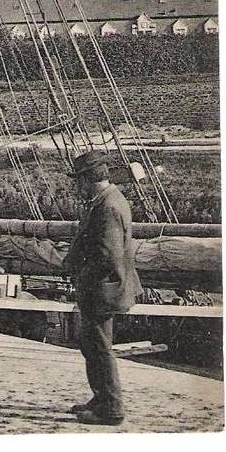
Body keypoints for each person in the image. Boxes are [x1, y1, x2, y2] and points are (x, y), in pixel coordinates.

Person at [62, 151, 141, 426]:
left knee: (99, 347)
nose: (76, 188)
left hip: (102, 289)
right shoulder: (109, 200)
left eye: (78, 182)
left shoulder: (107, 207)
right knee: (92, 344)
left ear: (87, 180)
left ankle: (111, 409)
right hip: (103, 288)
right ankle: (101, 397)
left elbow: (107, 256)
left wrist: (81, 276)